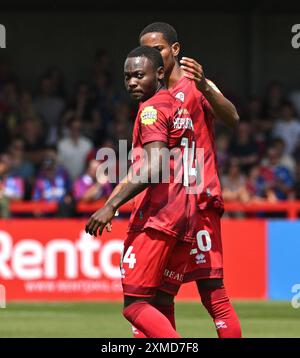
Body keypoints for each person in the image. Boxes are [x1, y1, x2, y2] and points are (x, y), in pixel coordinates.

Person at [137, 22, 241, 338]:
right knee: (158, 294)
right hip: (167, 207)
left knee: (212, 290)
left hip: (200, 200)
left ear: (175, 50)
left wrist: (208, 88)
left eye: (158, 49)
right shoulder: (152, 93)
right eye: (146, 52)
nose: (152, 57)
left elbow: (232, 119)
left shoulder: (197, 85)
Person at [85, 46, 197, 338]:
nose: (132, 82)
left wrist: (111, 206)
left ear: (160, 73)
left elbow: (156, 165)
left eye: (138, 75)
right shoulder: (179, 107)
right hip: (185, 215)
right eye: (127, 77)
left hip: (159, 218)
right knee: (160, 302)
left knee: (134, 306)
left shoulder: (151, 110)